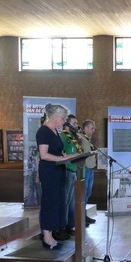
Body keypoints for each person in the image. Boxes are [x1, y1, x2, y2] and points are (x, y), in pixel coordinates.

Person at [37, 104, 79, 249]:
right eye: (62, 118)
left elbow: (58, 153)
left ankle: (52, 233)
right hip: (49, 172)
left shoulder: (55, 131)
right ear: (54, 116)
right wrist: (62, 159)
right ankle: (47, 237)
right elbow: (43, 155)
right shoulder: (43, 131)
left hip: (58, 171)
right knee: (49, 203)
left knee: (57, 203)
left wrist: (70, 156)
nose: (63, 121)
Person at [60, 114, 83, 238]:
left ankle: (70, 224)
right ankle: (62, 226)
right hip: (67, 171)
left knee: (71, 201)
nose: (76, 126)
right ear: (67, 125)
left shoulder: (74, 138)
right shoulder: (63, 137)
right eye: (74, 123)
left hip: (75, 171)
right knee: (66, 201)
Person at [80, 119, 97, 227]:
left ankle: (84, 215)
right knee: (83, 194)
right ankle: (80, 217)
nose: (93, 130)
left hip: (91, 169)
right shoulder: (81, 139)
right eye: (92, 128)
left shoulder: (89, 139)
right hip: (85, 169)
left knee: (87, 194)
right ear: (85, 128)